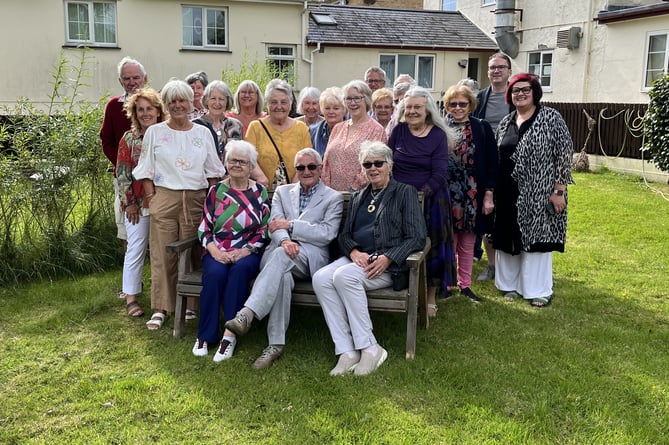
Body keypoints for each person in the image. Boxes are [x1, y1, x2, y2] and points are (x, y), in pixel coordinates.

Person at [223, 148, 344, 368]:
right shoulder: (282, 192)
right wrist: (285, 240)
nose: (306, 171)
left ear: (320, 169)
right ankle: (275, 346)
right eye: (300, 167)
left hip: (311, 257)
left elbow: (327, 233)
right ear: (295, 170)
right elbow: (273, 225)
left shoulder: (333, 198)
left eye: (311, 167)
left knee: (280, 258)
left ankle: (247, 313)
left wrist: (291, 227)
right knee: (283, 275)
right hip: (282, 250)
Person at [313, 141, 426, 376]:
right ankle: (346, 350)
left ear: (390, 165)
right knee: (321, 278)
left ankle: (370, 348)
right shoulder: (358, 196)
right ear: (362, 169)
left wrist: (388, 257)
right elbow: (343, 235)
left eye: (378, 163)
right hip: (358, 259)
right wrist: (353, 251)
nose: (373, 168)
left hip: (387, 266)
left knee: (344, 277)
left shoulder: (404, 192)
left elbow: (417, 237)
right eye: (367, 164)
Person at [133, 79, 225, 330]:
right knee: (163, 254)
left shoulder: (202, 132)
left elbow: (213, 171)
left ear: (190, 103)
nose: (177, 105)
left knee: (194, 252)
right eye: (172, 101)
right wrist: (153, 196)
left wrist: (210, 200)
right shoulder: (155, 132)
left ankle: (190, 307)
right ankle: (162, 307)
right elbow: (146, 168)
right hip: (165, 197)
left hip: (196, 198)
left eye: (182, 100)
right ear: (166, 104)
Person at [492, 73, 573, 308]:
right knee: (508, 236)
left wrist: (559, 190)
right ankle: (510, 285)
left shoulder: (551, 118)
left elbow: (564, 154)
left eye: (525, 89)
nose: (520, 94)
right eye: (516, 90)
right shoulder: (507, 122)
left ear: (535, 92)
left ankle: (539, 289)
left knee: (538, 238)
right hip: (507, 190)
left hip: (541, 191)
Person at [192, 140, 270, 362]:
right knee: (215, 274)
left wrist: (246, 250)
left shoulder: (260, 192)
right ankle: (205, 335)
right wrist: (215, 251)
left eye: (242, 161)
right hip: (218, 247)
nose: (237, 165)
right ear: (226, 163)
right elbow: (204, 227)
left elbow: (265, 229)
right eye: (233, 160)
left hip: (248, 250)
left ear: (251, 165)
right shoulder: (216, 191)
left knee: (238, 273)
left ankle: (230, 335)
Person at [388, 86, 457, 317]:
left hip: (431, 200)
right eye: (408, 107)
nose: (412, 111)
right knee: (401, 245)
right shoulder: (398, 131)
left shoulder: (437, 135)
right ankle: (405, 291)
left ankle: (429, 298)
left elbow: (439, 173)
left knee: (432, 248)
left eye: (417, 107)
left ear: (427, 110)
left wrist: (418, 197)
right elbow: (388, 163)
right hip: (398, 199)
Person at [443, 84, 498, 303]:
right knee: (448, 241)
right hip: (446, 192)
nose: (457, 108)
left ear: (470, 105)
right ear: (447, 106)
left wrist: (489, 194)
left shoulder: (482, 128)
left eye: (462, 104)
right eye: (453, 104)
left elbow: (493, 163)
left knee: (467, 241)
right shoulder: (440, 127)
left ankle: (465, 285)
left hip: (473, 191)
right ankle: (446, 285)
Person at [115, 88, 165, 317]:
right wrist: (130, 203)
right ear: (135, 113)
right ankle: (131, 296)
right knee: (135, 248)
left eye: (150, 109)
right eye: (141, 109)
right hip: (138, 203)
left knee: (162, 251)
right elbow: (122, 173)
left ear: (158, 111)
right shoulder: (129, 139)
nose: (146, 113)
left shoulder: (167, 134)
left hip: (164, 201)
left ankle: (163, 298)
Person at [472, 52, 515, 277]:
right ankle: (492, 264)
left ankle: (512, 264)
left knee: (508, 213)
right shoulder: (479, 99)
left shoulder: (518, 98)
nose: (496, 71)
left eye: (501, 67)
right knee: (487, 213)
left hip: (512, 165)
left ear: (509, 71)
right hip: (486, 164)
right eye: (492, 68)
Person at [100, 57, 148, 244]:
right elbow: (106, 140)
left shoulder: (155, 105)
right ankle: (131, 264)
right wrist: (124, 166)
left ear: (145, 78)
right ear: (120, 81)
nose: (132, 82)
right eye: (126, 79)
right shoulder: (113, 106)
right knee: (129, 225)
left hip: (154, 177)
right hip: (125, 177)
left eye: (136, 77)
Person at [245, 79, 311, 191]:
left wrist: (295, 184)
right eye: (274, 102)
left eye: (284, 102)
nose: (279, 106)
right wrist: (260, 177)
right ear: (267, 104)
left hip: (295, 191)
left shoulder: (301, 128)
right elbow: (248, 157)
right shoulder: (255, 127)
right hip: (263, 191)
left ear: (290, 104)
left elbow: (308, 159)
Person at [322, 80, 387, 191]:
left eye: (357, 98)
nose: (353, 103)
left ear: (366, 100)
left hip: (360, 196)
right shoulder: (338, 128)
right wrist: (327, 190)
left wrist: (353, 190)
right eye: (348, 99)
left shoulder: (376, 130)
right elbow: (326, 162)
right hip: (332, 197)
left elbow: (374, 165)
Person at [193, 80, 243, 162]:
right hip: (204, 174)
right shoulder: (195, 126)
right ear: (206, 100)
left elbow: (241, 155)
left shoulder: (236, 125)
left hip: (231, 174)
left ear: (227, 101)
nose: (217, 103)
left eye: (221, 99)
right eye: (213, 98)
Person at [309, 87, 346, 158]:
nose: (331, 112)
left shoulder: (352, 130)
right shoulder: (313, 131)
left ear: (344, 110)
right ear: (322, 110)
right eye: (327, 108)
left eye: (336, 108)